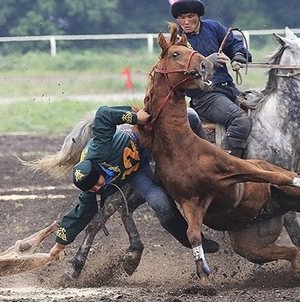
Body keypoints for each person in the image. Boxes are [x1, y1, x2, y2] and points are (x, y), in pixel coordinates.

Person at [49, 105, 219, 260]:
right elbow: (78, 214)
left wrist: (136, 118)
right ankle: (194, 241)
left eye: (96, 183)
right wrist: (59, 245)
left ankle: (216, 157)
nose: (96, 188)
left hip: (143, 137)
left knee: (191, 115)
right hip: (137, 170)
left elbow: (102, 115)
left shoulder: (100, 147)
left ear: (98, 168)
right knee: (160, 203)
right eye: (91, 189)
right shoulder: (93, 189)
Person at [171, 0, 253, 158]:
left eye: (190, 16)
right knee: (241, 121)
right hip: (204, 97)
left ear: (198, 16)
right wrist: (207, 63)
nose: (186, 22)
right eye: (182, 17)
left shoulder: (213, 27)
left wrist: (238, 55)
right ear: (177, 19)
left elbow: (234, 43)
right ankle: (228, 164)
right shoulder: (176, 42)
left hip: (228, 88)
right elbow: (179, 74)